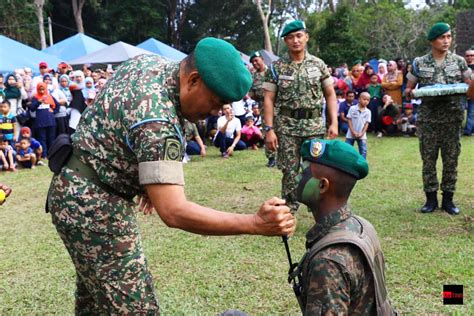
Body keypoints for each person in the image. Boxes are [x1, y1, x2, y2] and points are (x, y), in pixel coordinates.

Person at [46, 37, 295, 314]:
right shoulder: (157, 120)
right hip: (93, 206)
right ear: (193, 80)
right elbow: (174, 211)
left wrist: (144, 181)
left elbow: (115, 124)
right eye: (216, 102)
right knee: (137, 308)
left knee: (96, 302)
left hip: (75, 187)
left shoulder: (149, 63)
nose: (215, 112)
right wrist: (254, 223)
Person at [292, 138, 394, 315]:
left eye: (303, 172)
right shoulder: (361, 226)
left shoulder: (327, 261)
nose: (297, 177)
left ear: (323, 185)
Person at [263, 20, 338, 213]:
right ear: (285, 41)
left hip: (314, 125)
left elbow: (330, 95)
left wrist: (334, 122)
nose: (295, 41)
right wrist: (269, 130)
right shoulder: (276, 68)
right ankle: (289, 208)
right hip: (287, 127)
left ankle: (317, 206)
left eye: (298, 36)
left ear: (306, 37)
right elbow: (268, 99)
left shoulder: (319, 65)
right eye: (290, 37)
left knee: (316, 169)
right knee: (289, 170)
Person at [405, 22, 472, 215]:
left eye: (449, 37)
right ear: (432, 40)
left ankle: (449, 200)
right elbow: (409, 88)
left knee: (451, 160)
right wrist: (411, 93)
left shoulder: (459, 62)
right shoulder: (419, 62)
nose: (446, 41)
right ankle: (430, 199)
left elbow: (470, 86)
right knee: (428, 159)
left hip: (452, 118)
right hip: (429, 119)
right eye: (442, 37)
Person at [249, 51, 276, 167]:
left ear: (262, 59)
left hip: (278, 107)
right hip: (264, 108)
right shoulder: (253, 77)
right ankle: (271, 157)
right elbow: (252, 94)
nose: (255, 63)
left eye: (256, 60)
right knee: (267, 132)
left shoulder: (272, 72)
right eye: (253, 62)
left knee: (282, 131)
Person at [31, 83, 59, 157]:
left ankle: (52, 154)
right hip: (40, 122)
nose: (42, 91)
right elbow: (32, 108)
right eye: (40, 90)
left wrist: (54, 111)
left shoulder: (50, 97)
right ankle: (44, 154)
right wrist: (39, 102)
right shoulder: (35, 98)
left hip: (51, 121)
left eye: (43, 89)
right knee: (42, 138)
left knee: (51, 138)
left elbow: (57, 106)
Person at [345, 92, 371, 159]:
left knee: (363, 151)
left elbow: (366, 123)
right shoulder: (352, 108)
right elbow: (349, 120)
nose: (366, 101)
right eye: (364, 99)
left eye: (368, 100)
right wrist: (353, 131)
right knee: (347, 149)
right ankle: (346, 162)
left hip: (362, 135)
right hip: (350, 134)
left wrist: (362, 133)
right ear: (359, 99)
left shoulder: (368, 112)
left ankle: (362, 164)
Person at [463, 49, 474, 136]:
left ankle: (468, 131)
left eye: (472, 55)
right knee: (458, 111)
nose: (470, 57)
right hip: (461, 93)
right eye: (467, 55)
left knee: (471, 112)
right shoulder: (462, 67)